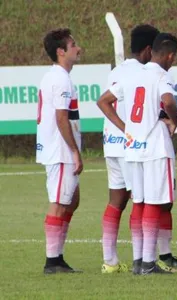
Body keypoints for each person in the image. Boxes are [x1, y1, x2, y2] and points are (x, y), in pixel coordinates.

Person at [97, 33, 177, 275]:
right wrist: (173, 120)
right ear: (170, 55)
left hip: (132, 148)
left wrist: (126, 128)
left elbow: (103, 101)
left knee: (140, 202)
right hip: (155, 148)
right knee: (154, 202)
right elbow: (168, 101)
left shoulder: (131, 75)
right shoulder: (162, 76)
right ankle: (148, 263)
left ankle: (137, 261)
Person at [100, 24, 159, 274]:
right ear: (148, 50)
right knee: (141, 201)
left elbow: (104, 101)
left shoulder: (118, 69)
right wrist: (127, 128)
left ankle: (110, 261)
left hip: (110, 144)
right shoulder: (143, 72)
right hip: (130, 145)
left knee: (116, 201)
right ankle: (143, 260)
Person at [37, 28, 83, 274]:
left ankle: (57, 257)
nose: (78, 48)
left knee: (72, 201)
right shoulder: (60, 79)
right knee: (58, 203)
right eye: (73, 44)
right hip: (60, 151)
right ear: (61, 51)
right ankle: (52, 260)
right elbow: (61, 118)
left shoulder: (58, 76)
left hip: (61, 149)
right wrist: (74, 151)